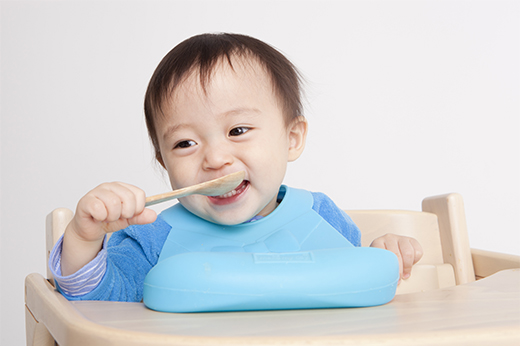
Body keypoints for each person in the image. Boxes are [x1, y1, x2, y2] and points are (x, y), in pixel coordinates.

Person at [49, 33, 423, 301]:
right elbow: (97, 305)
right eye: (185, 144)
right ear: (164, 163)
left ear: (292, 138)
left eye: (238, 130)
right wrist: (84, 239)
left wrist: (380, 257)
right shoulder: (153, 238)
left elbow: (347, 291)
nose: (214, 159)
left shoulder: (321, 216)